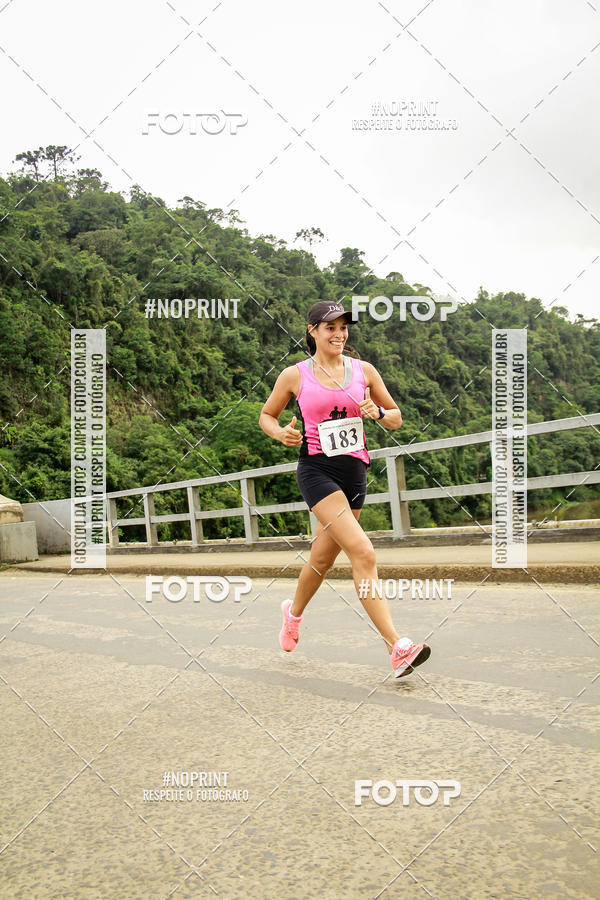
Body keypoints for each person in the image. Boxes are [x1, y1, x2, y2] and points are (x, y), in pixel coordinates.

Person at [258, 300, 431, 678]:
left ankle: (293, 614)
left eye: (343, 327)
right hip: (316, 471)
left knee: (321, 560)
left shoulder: (364, 371)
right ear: (313, 331)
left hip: (354, 474)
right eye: (330, 327)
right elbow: (266, 415)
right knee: (363, 552)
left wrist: (378, 413)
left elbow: (396, 418)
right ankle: (397, 646)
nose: (338, 334)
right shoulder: (294, 375)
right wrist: (281, 433)